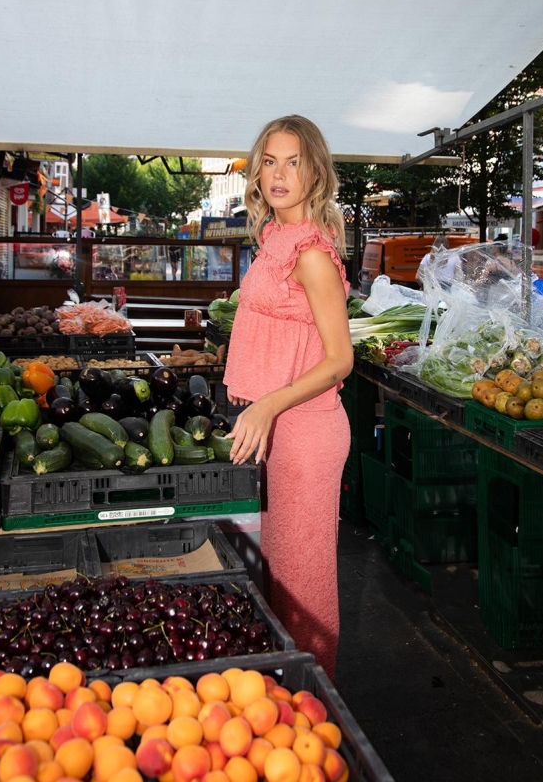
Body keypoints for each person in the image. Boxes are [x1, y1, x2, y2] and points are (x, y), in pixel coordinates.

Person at [223, 115, 353, 679]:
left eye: (292, 162)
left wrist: (269, 403)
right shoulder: (272, 237)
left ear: (314, 172)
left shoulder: (312, 253)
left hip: (308, 432)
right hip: (281, 431)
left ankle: (314, 701)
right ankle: (288, 690)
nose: (278, 174)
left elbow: (340, 359)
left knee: (304, 584)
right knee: (280, 570)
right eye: (269, 161)